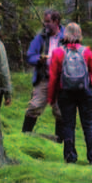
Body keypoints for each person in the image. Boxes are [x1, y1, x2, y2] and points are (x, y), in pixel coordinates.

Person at [47, 22, 92, 165]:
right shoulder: (86, 51)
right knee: (88, 124)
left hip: (66, 93)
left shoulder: (58, 52)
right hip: (86, 92)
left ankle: (70, 157)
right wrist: (90, 82)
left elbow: (53, 77)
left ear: (66, 35)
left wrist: (51, 98)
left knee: (68, 125)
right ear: (80, 34)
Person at [21, 9, 64, 141]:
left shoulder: (66, 36)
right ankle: (24, 136)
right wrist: (39, 59)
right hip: (44, 79)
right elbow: (29, 55)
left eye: (48, 22)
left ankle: (60, 141)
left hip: (61, 80)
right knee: (34, 106)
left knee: (60, 111)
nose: (45, 24)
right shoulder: (40, 37)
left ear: (56, 22)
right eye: (44, 22)